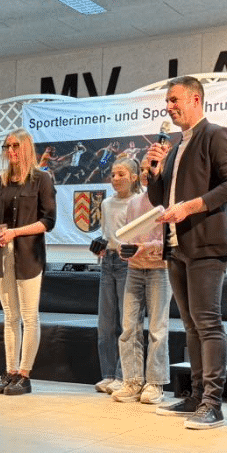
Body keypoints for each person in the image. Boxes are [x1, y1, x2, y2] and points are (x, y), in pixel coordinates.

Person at [143, 77, 227, 429]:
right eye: (166, 102)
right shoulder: (175, 146)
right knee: (189, 325)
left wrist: (189, 207)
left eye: (174, 100)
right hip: (177, 247)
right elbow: (159, 199)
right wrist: (153, 172)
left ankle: (213, 403)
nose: (168, 107)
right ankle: (196, 395)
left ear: (195, 98)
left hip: (206, 244)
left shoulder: (215, 135)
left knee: (208, 323)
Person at [0, 129, 56, 397]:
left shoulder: (41, 179)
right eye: (7, 146)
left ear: (27, 148)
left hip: (29, 255)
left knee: (29, 316)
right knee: (9, 316)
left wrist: (15, 233)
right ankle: (10, 370)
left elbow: (48, 222)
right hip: (2, 255)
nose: (11, 151)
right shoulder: (0, 181)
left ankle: (25, 374)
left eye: (15, 146)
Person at [111, 164, 171, 406]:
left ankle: (155, 383)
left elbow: (170, 237)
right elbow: (127, 237)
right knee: (129, 328)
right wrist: (125, 250)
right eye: (144, 169)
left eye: (152, 169)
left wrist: (150, 247)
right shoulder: (134, 203)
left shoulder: (168, 201)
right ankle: (132, 380)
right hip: (134, 269)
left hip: (160, 269)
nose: (147, 173)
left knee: (157, 328)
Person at [94, 157, 139, 394]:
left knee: (127, 322)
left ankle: (124, 375)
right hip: (108, 261)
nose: (115, 179)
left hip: (127, 263)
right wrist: (100, 244)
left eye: (121, 174)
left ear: (134, 177)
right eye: (112, 174)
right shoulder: (107, 204)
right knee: (105, 322)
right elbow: (106, 233)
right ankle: (108, 374)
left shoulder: (138, 202)